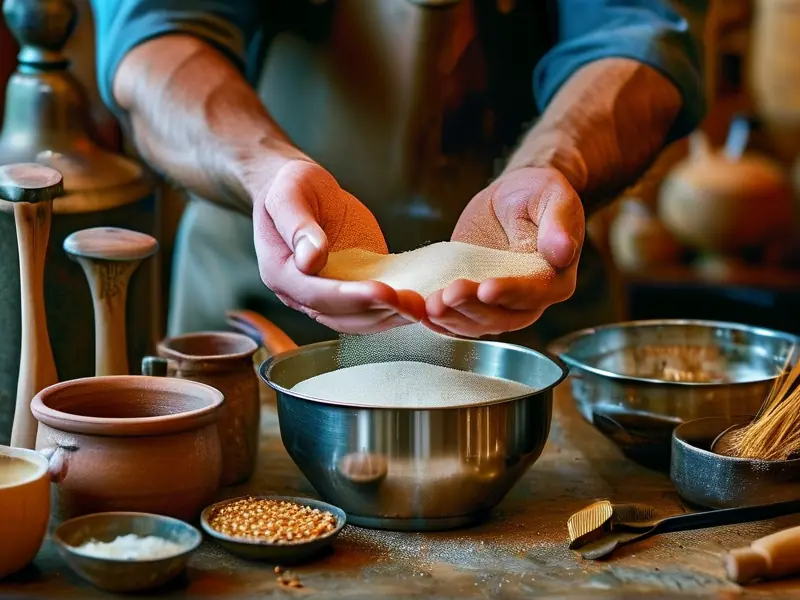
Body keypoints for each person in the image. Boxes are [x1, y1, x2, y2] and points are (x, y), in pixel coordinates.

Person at [91, 0, 706, 347]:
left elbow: (640, 36)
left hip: (531, 329)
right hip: (259, 321)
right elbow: (157, 39)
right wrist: (264, 169)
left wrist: (555, 163)